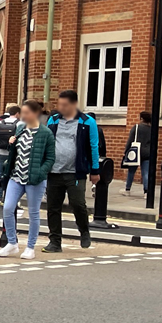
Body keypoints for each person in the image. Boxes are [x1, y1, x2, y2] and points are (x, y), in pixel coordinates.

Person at [42, 89, 102, 251]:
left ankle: (84, 231)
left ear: (74, 104)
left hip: (76, 172)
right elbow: (46, 143)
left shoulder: (87, 122)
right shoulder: (53, 120)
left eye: (65, 104)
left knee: (78, 204)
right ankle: (55, 241)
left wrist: (95, 170)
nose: (61, 107)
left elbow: (93, 146)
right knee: (53, 207)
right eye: (59, 104)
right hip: (54, 172)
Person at [0, 100, 56, 260]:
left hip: (34, 179)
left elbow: (50, 158)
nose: (23, 116)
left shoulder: (46, 133)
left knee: (33, 213)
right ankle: (12, 243)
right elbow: (16, 152)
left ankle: (30, 247)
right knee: (8, 209)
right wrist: (11, 144)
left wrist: (40, 172)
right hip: (16, 177)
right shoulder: (21, 129)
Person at [122, 111, 154, 195]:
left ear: (142, 118)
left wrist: (126, 151)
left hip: (135, 152)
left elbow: (130, 140)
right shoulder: (152, 129)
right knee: (145, 173)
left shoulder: (136, 127)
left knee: (131, 171)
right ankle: (146, 192)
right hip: (147, 153)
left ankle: (127, 190)